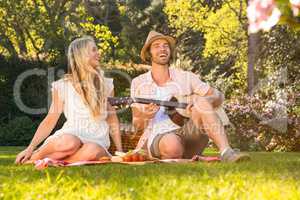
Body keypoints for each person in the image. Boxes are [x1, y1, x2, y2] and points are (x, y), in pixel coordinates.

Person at [130, 31, 250, 162]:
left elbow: (219, 96)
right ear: (149, 53)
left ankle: (227, 152)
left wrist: (204, 101)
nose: (162, 49)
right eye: (157, 46)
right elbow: (137, 125)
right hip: (159, 136)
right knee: (172, 146)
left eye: (165, 45)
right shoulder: (138, 82)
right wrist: (146, 115)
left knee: (202, 101)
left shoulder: (185, 77)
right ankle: (185, 157)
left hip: (191, 133)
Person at [15, 36, 122, 164]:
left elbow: (112, 117)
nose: (98, 53)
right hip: (71, 134)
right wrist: (30, 147)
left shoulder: (107, 84)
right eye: (94, 50)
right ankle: (35, 156)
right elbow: (50, 120)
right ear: (82, 55)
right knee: (70, 143)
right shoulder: (63, 86)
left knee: (92, 150)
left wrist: (120, 152)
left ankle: (55, 162)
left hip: (97, 139)